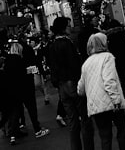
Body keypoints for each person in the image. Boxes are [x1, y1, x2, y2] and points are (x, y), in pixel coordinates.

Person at [47, 16, 95, 150]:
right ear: (63, 28)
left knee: (73, 122)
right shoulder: (67, 43)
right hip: (72, 82)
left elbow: (53, 66)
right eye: (68, 25)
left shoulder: (52, 45)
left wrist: (57, 82)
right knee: (85, 119)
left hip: (62, 86)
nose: (70, 27)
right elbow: (74, 65)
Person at [78, 33, 125, 150]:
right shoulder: (107, 57)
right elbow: (109, 80)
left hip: (96, 106)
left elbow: (81, 88)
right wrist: (116, 99)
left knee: (105, 136)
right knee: (121, 131)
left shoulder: (86, 63)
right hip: (112, 103)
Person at [101, 16, 125, 105]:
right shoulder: (123, 35)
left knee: (122, 81)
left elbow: (110, 51)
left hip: (117, 61)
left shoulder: (110, 38)